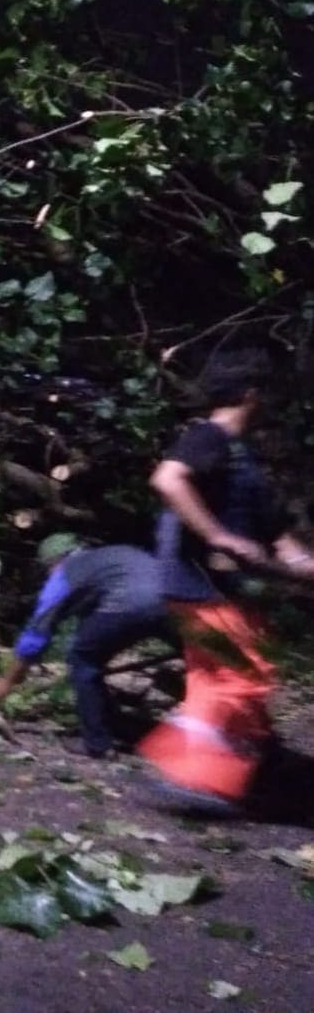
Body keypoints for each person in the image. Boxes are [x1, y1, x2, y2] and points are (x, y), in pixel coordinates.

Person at [138, 348, 314, 814]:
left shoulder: (240, 460)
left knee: (214, 678)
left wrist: (302, 565)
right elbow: (168, 479)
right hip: (203, 588)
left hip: (212, 591)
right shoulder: (208, 437)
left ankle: (259, 767)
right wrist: (217, 536)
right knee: (244, 675)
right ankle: (191, 777)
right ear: (252, 394)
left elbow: (277, 536)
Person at [0, 533, 171, 758]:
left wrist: (6, 682)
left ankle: (97, 744)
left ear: (53, 562)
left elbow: (36, 633)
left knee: (82, 660)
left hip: (130, 601)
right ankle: (125, 727)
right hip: (174, 601)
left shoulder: (65, 574)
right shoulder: (106, 560)